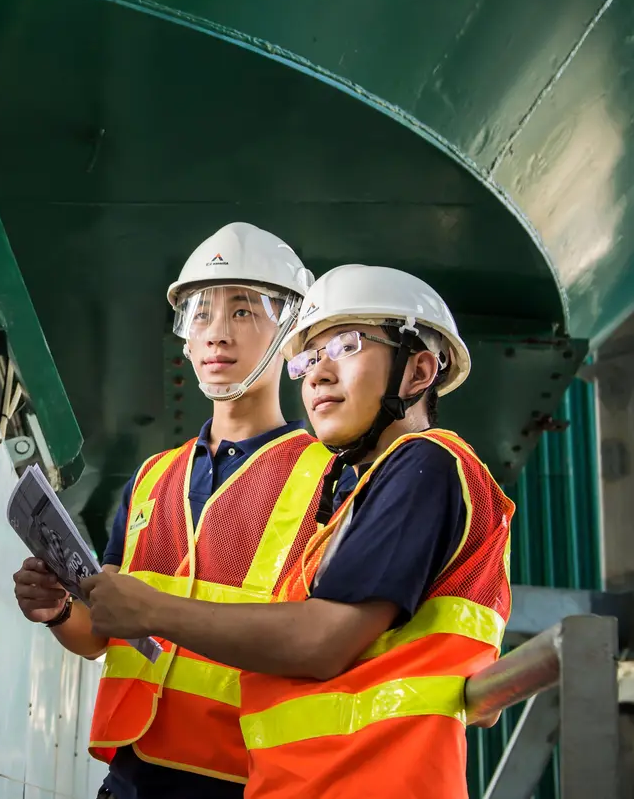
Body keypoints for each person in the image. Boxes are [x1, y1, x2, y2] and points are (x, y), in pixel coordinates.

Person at [81, 264, 513, 799]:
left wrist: (151, 611)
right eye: (308, 358)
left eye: (348, 346)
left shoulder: (427, 463)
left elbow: (321, 642)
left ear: (420, 370)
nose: (318, 374)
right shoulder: (354, 498)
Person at [12, 222, 333, 799]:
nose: (216, 335)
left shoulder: (328, 479)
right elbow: (102, 634)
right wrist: (60, 611)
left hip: (244, 779)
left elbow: (324, 642)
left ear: (291, 337)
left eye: (243, 312)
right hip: (130, 779)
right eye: (201, 314)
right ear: (184, 341)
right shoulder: (153, 477)